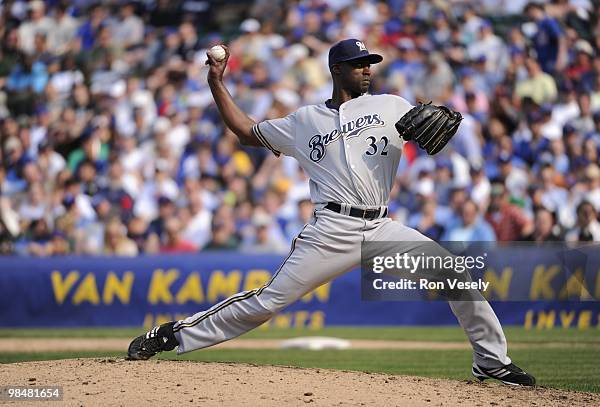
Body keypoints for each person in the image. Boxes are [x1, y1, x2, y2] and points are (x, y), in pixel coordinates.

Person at [126, 39, 535, 386]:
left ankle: (490, 362)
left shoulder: (391, 105)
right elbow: (247, 132)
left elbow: (428, 132)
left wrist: (440, 122)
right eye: (359, 65)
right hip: (331, 229)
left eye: (370, 64)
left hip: (380, 227)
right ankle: (172, 335)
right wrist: (217, 83)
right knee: (267, 302)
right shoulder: (305, 120)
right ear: (337, 69)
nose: (367, 70)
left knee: (452, 273)